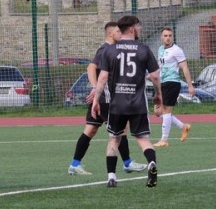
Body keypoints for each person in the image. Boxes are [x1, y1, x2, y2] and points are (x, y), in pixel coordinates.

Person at [68, 21, 149, 175]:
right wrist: (95, 87)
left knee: (91, 129)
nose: (121, 34)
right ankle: (127, 163)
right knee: (120, 130)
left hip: (102, 99)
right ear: (111, 34)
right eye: (118, 32)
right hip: (106, 98)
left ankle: (75, 164)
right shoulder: (105, 49)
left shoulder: (114, 49)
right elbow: (91, 67)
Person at [91, 15, 161, 188]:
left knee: (114, 139)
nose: (140, 29)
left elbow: (103, 77)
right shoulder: (144, 49)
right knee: (143, 139)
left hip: (117, 104)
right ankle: (151, 163)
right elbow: (155, 75)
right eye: (139, 26)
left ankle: (111, 177)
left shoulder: (109, 50)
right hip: (138, 103)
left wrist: (96, 100)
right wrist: (158, 94)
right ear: (131, 28)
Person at [153, 26, 195, 147]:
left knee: (166, 110)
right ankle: (183, 126)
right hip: (162, 83)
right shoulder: (160, 49)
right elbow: (160, 67)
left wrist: (190, 86)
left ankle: (164, 139)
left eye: (170, 36)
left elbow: (184, 68)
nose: (168, 38)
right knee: (157, 112)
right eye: (165, 36)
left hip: (172, 82)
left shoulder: (177, 50)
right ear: (161, 37)